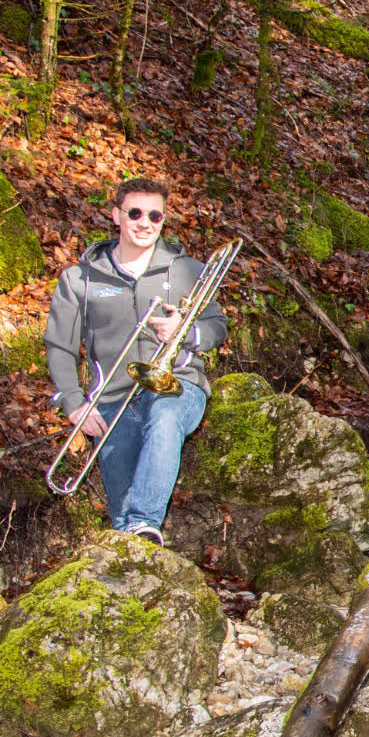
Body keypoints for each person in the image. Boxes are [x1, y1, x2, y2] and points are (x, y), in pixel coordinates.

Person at [44, 178, 228, 544]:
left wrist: (184, 332)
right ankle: (135, 548)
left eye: (155, 215)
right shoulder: (79, 279)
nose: (145, 222)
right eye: (135, 213)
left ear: (164, 221)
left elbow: (217, 326)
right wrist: (73, 402)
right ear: (117, 215)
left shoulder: (187, 270)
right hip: (112, 398)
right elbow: (59, 345)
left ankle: (146, 522)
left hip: (177, 385)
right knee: (123, 514)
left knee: (164, 418)